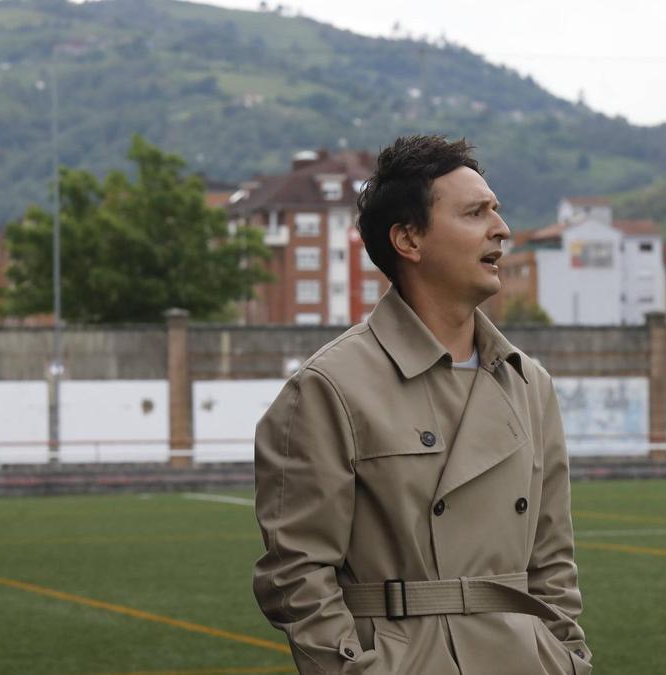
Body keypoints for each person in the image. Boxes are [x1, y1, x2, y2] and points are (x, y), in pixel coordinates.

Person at [252, 135, 590, 674]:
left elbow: (552, 562)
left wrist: (566, 657)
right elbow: (295, 576)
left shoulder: (531, 384)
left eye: (496, 212)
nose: (500, 229)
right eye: (475, 213)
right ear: (408, 239)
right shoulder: (328, 387)